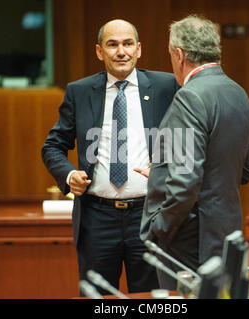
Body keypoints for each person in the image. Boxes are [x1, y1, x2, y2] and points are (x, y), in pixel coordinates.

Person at [42, 19, 179, 294]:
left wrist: (166, 166)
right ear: (99, 51)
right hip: (97, 217)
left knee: (153, 299)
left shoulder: (166, 86)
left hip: (149, 215)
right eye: (112, 44)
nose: (121, 51)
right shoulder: (79, 92)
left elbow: (186, 140)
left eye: (128, 44)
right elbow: (53, 146)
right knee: (99, 297)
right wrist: (69, 176)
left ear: (139, 49)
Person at [139, 15, 249, 289]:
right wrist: (161, 171)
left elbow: (185, 184)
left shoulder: (190, 96)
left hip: (189, 238)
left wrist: (159, 228)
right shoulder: (238, 93)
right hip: (226, 232)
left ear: (179, 55)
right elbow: (244, 172)